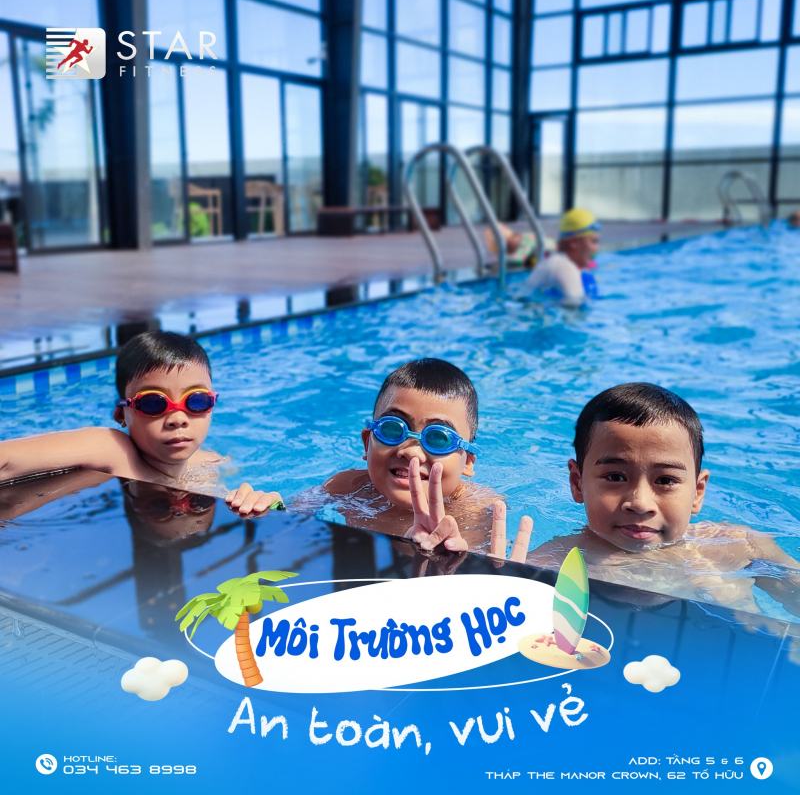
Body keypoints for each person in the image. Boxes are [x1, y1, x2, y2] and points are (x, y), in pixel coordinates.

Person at [521, 383, 800, 615]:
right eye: (615, 477)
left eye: (665, 481)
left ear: (697, 492)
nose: (640, 503)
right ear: (577, 483)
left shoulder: (742, 548)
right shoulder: (546, 567)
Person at [0, 330, 279, 517]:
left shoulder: (214, 464)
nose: (178, 419)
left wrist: (263, 501)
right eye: (153, 403)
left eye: (196, 401)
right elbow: (6, 460)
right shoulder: (112, 449)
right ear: (121, 415)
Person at [321, 358, 498, 550]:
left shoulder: (481, 510)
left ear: (468, 462)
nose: (411, 452)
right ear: (367, 443)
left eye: (439, 439)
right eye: (392, 429)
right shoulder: (343, 488)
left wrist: (451, 556)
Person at [526, 207, 601, 307]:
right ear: (574, 243)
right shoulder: (565, 268)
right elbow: (573, 309)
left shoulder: (554, 261)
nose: (596, 248)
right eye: (594, 241)